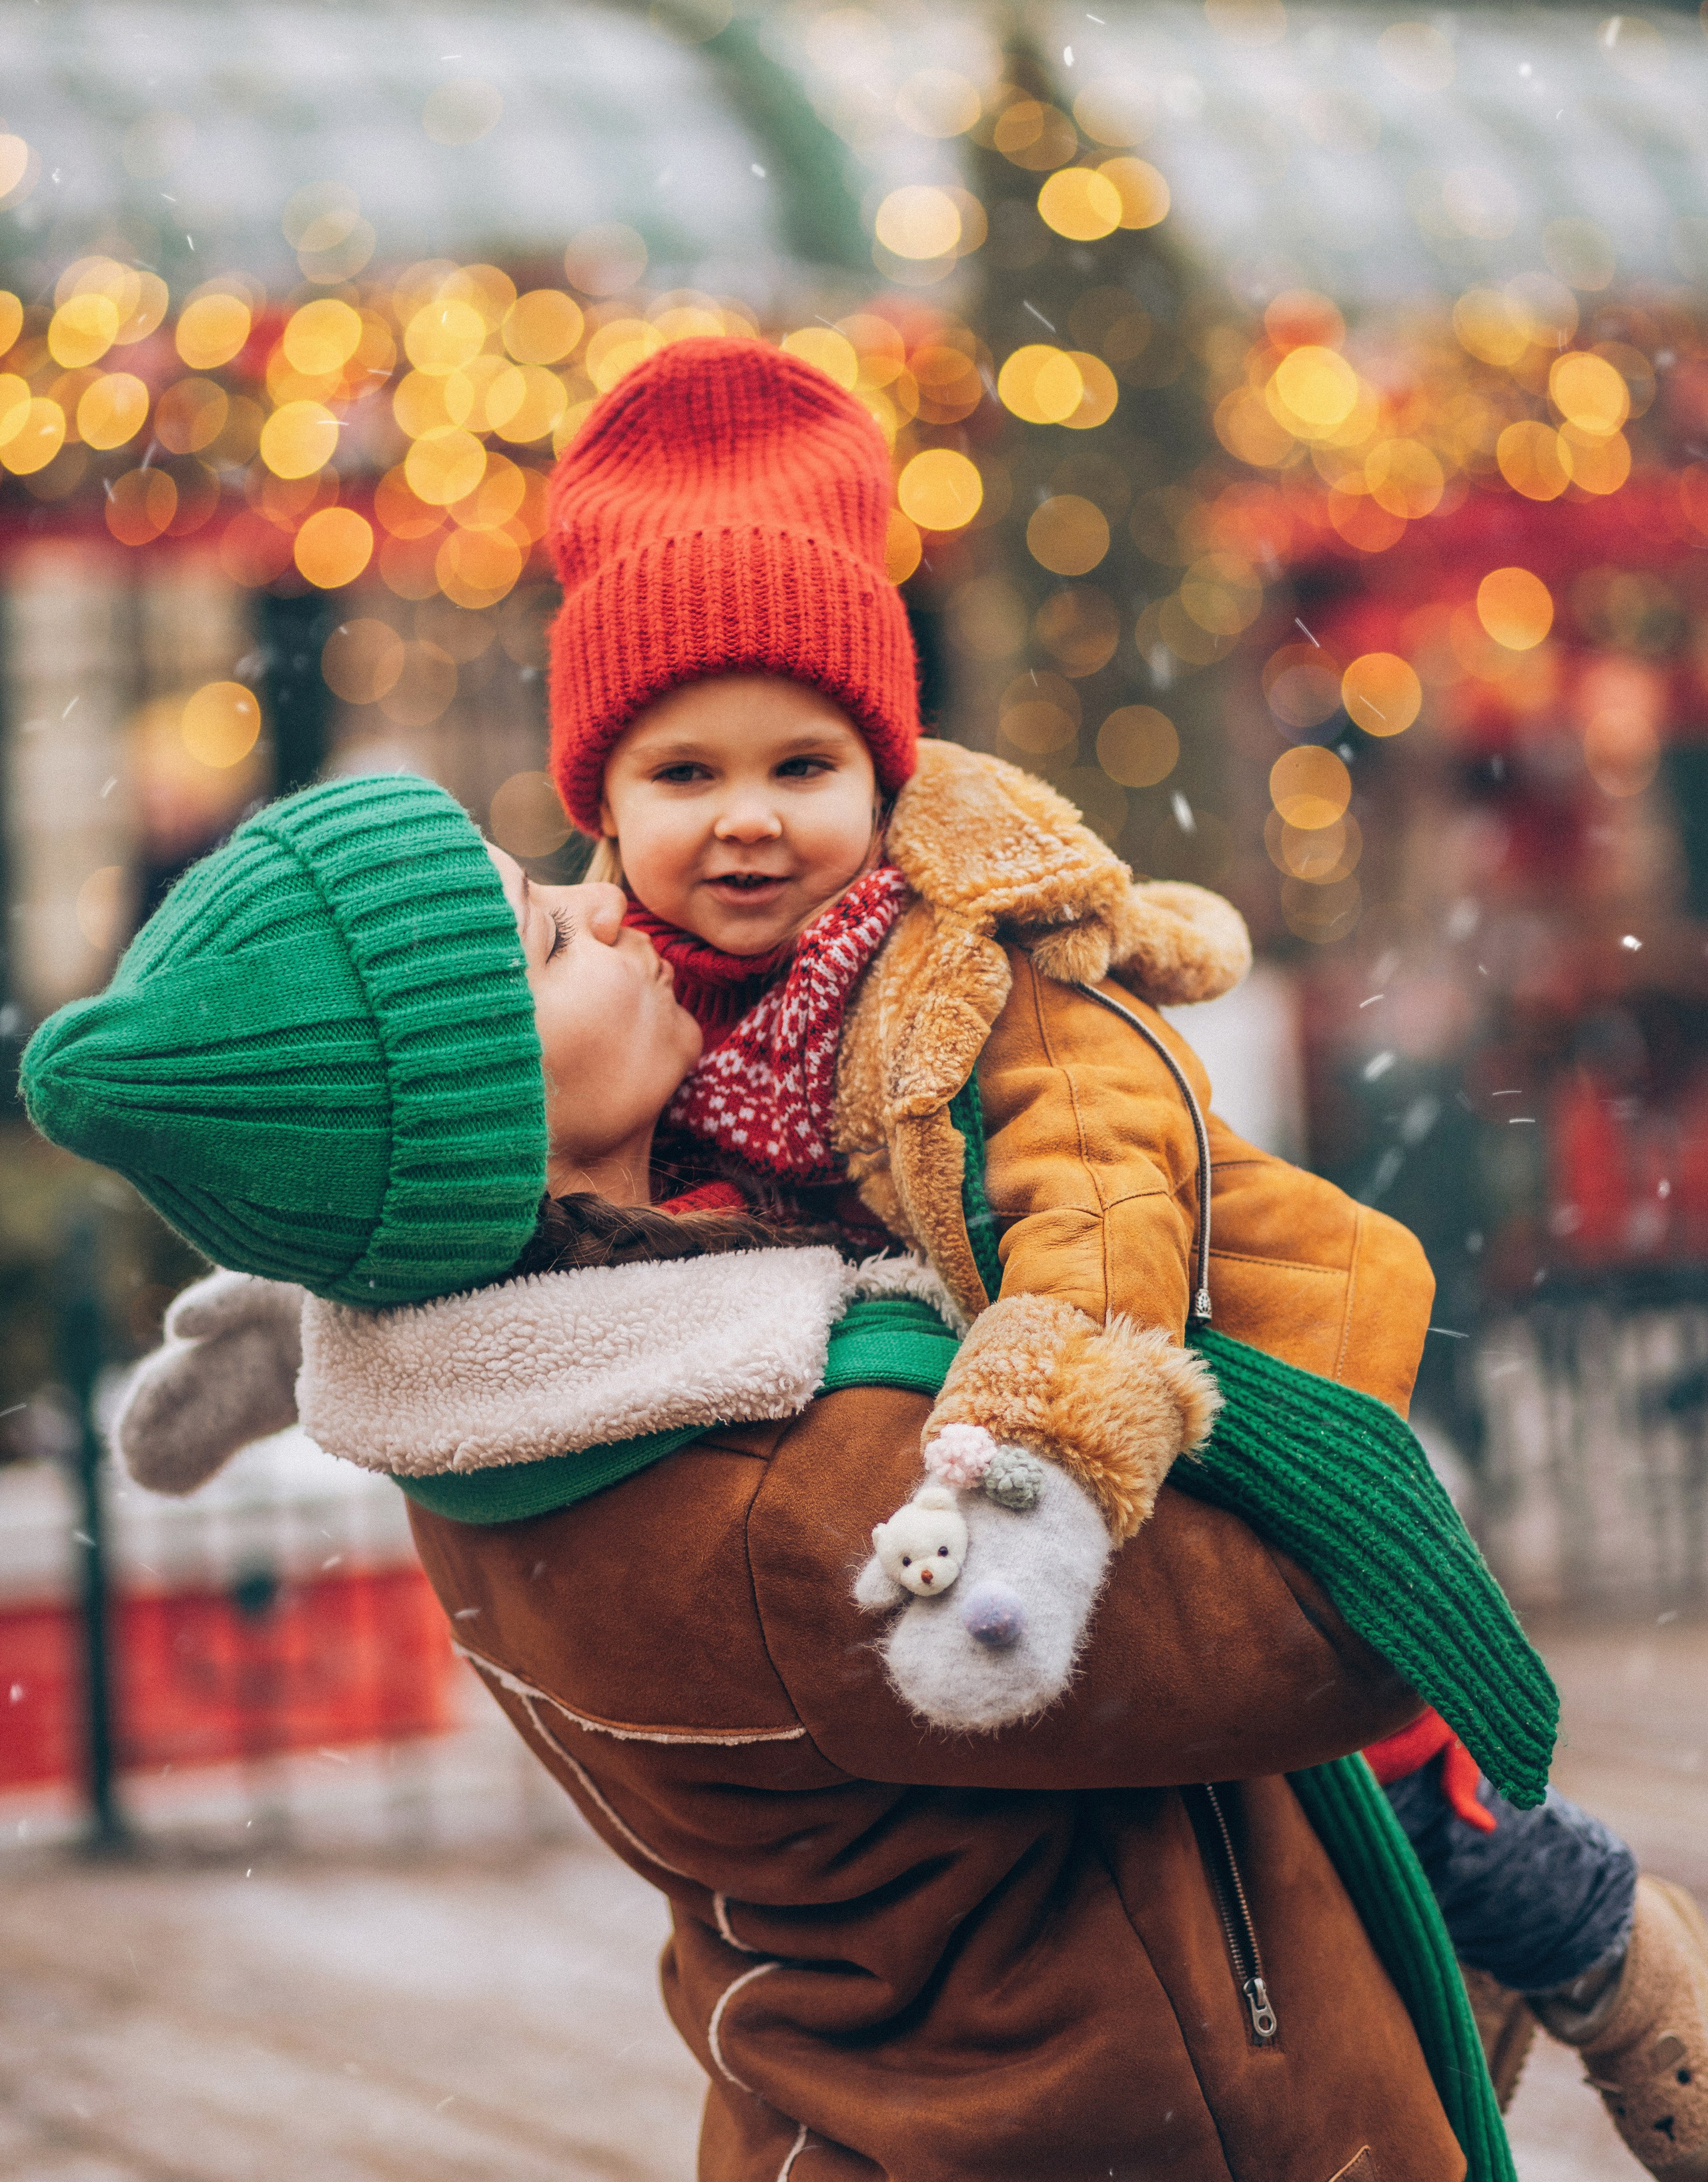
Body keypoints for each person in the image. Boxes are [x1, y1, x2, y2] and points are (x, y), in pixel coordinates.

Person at [537, 332, 1708, 2173]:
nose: (746, 814)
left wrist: (1041, 1450)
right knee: (1211, 1816)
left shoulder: (972, 976)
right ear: (603, 807)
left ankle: (1609, 1964)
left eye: (802, 760)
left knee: (1395, 1778)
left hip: (1178, 1379)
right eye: (683, 770)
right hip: (935, 1453)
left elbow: (1098, 1213)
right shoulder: (612, 1003)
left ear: (886, 772)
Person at [24, 769, 1479, 2182]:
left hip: (890, 2109)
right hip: (1122, 2125)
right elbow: (1345, 1642)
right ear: (483, 1130)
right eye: (543, 938)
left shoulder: (502, 1395)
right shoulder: (778, 1499)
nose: (605, 911)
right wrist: (1235, 1275)